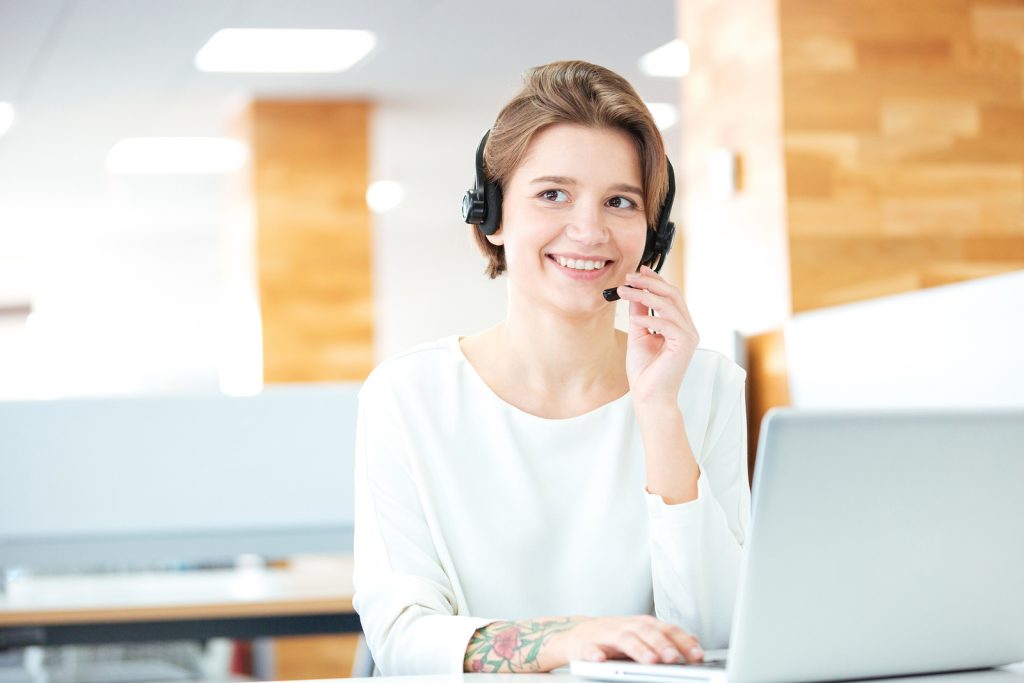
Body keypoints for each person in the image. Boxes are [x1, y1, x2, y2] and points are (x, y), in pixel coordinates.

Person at [352, 60, 749, 676]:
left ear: (654, 234)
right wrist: (568, 639)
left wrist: (658, 411)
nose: (589, 230)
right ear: (493, 214)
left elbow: (720, 636)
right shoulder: (410, 394)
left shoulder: (705, 385)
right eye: (552, 194)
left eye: (620, 201)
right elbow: (402, 639)